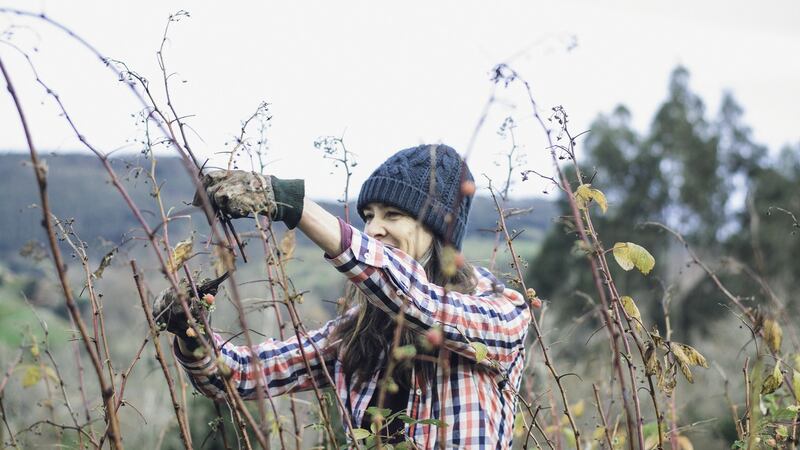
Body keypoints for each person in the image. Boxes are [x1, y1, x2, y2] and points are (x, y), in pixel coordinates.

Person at [155, 144, 532, 449]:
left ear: (438, 229)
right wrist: (193, 334)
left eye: (392, 215)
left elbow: (422, 302)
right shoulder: (358, 332)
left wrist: (293, 204)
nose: (373, 229)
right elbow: (239, 376)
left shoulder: (502, 310)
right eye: (368, 215)